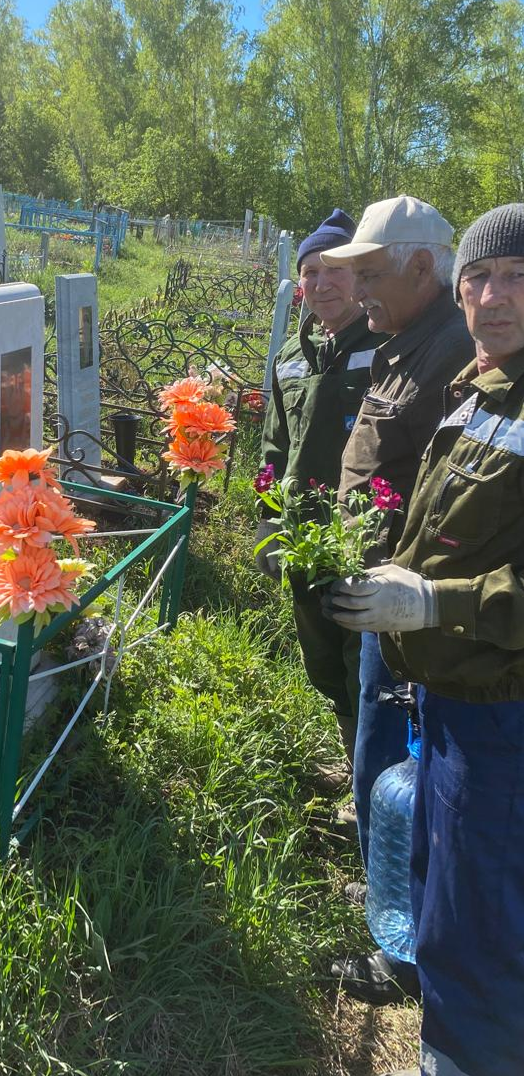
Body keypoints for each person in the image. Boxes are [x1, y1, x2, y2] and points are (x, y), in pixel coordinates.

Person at [327, 203, 524, 1076]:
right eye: (481, 277)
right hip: (454, 698)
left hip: (503, 711)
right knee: (454, 904)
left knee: (481, 922)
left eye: (516, 275)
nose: (493, 295)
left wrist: (435, 605)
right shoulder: (483, 387)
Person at [319, 195, 473, 1003]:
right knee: (379, 747)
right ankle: (388, 898)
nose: (362, 292)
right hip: (381, 593)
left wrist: (412, 592)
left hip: (410, 606)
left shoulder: (452, 347)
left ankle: (402, 948)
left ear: (422, 267)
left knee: (399, 764)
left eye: (372, 275)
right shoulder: (404, 339)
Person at [257, 209, 385, 783]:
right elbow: (272, 449)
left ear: (360, 278)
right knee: (322, 654)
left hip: (365, 532)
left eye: (335, 268)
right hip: (304, 535)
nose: (321, 282)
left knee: (367, 658)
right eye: (310, 271)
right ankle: (352, 749)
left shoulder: (387, 348)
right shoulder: (290, 355)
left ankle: (373, 773)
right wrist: (266, 521)